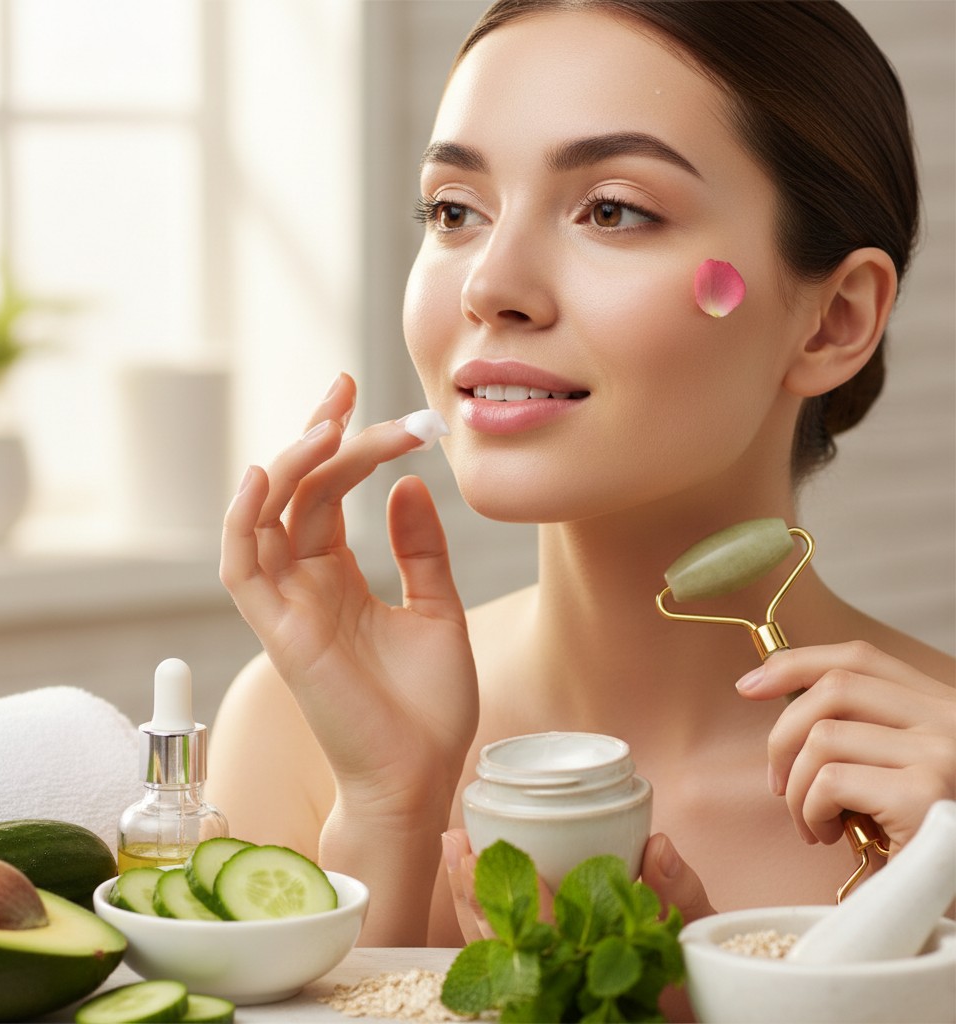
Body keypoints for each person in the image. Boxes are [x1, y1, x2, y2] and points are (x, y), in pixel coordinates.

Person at [209, 0, 954, 968]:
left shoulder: (940, 781)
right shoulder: (300, 729)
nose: (489, 284)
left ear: (831, 321)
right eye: (454, 211)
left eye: (612, 210)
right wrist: (389, 820)